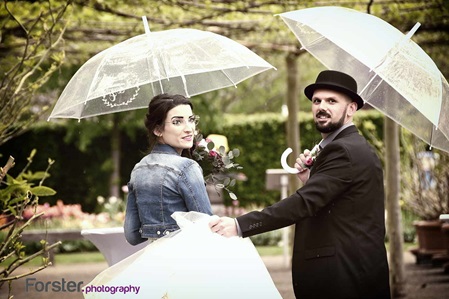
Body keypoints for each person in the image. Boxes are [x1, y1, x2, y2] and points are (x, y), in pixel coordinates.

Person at [210, 70, 391, 299]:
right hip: (351, 273)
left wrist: (240, 225)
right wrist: (310, 180)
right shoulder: (346, 146)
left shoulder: (344, 150)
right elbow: (335, 202)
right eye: (317, 101)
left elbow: (304, 204)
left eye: (331, 101)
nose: (321, 107)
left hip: (345, 279)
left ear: (352, 108)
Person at [124, 93, 213, 246]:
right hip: (186, 257)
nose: (189, 129)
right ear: (158, 129)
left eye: (191, 120)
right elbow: (206, 226)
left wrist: (156, 231)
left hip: (154, 260)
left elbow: (132, 236)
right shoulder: (187, 168)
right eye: (177, 122)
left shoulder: (138, 169)